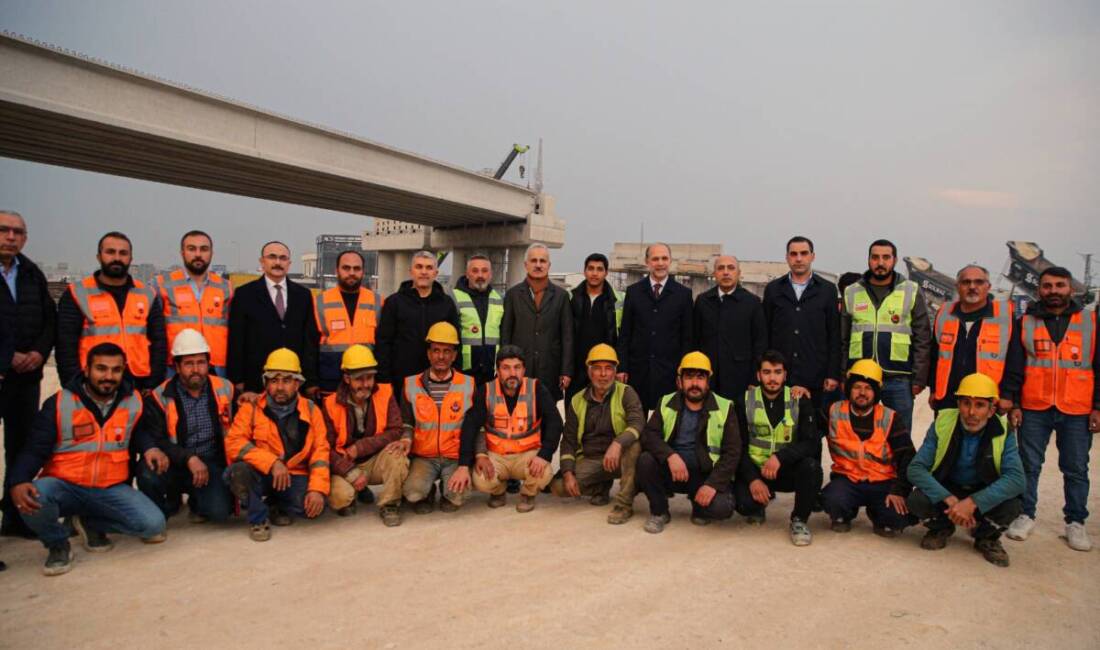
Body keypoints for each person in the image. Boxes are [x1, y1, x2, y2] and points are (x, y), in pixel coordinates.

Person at [8, 343, 169, 576]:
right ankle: (57, 544)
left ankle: (90, 523)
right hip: (64, 485)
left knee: (153, 525)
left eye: (116, 370)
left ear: (123, 370)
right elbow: (34, 448)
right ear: (87, 369)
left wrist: (150, 448)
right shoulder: (60, 403)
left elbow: (139, 432)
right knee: (33, 496)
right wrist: (19, 480)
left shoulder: (133, 401)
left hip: (108, 488)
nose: (108, 376)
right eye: (101, 369)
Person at [1001, 266, 1098, 552]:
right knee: (1028, 465)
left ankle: (1076, 522)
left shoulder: (1090, 322)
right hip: (1034, 406)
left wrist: (1097, 407)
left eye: (1059, 285)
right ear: (1039, 289)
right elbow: (1015, 366)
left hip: (1077, 408)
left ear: (1071, 288)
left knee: (1076, 468)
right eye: (1047, 286)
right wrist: (1015, 403)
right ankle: (1025, 514)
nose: (1053, 291)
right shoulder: (1026, 321)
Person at [907, 373, 1025, 567]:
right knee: (916, 500)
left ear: (991, 409)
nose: (971, 412)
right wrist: (950, 499)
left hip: (983, 492)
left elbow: (1017, 479)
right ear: (958, 404)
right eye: (966, 403)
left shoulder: (1004, 431)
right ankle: (941, 528)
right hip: (949, 490)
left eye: (979, 405)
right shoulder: (943, 423)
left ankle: (986, 537)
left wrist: (972, 503)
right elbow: (916, 469)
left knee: (1012, 505)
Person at [225, 348, 329, 542]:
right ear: (266, 383)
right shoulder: (251, 408)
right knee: (238, 471)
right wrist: (272, 463)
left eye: (287, 380)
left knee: (314, 508)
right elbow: (233, 443)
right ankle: (258, 518)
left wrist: (317, 490)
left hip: (293, 474)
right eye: (274, 380)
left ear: (297, 383)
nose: (280, 387)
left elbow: (320, 454)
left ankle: (277, 505)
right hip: (260, 474)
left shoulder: (312, 410)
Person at [636, 351, 741, 533]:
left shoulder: (725, 407)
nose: (694, 384)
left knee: (723, 508)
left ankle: (699, 506)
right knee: (645, 461)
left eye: (700, 377)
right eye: (689, 377)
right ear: (680, 381)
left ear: (708, 382)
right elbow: (649, 435)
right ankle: (659, 511)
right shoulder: (666, 402)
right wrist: (670, 456)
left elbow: (732, 453)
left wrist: (711, 484)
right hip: (673, 471)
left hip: (704, 474)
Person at [138, 330, 235, 523]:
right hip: (175, 461)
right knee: (148, 472)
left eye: (200, 362)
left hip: (211, 461)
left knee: (220, 512)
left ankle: (197, 502)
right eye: (189, 364)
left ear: (208, 364)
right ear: (177, 366)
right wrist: (188, 458)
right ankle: (160, 513)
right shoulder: (160, 396)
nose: (196, 369)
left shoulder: (225, 388)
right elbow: (157, 438)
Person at [0, 210, 56, 539]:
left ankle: (16, 517)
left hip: (25, 379)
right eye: (4, 230)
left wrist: (38, 352)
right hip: (5, 369)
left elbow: (48, 320)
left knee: (20, 448)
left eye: (17, 232)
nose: (10, 237)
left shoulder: (32, 274)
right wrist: (7, 357)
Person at [840, 239, 931, 433]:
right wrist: (842, 374)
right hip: (860, 379)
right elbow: (843, 339)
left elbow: (923, 339)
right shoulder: (852, 292)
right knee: (858, 433)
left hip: (898, 378)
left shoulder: (911, 290)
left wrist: (919, 379)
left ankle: (900, 466)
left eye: (886, 257)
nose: (880, 263)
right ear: (868, 260)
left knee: (899, 434)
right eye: (875, 257)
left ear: (895, 260)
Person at [56, 231, 167, 391]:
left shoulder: (147, 293)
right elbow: (65, 345)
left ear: (131, 259)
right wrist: (73, 385)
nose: (117, 258)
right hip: (94, 383)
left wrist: (153, 384)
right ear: (99, 256)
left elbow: (159, 342)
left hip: (139, 381)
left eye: (123, 253)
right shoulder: (78, 293)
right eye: (110, 252)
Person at [733, 351, 820, 546]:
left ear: (785, 375)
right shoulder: (744, 401)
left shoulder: (799, 399)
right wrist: (753, 480)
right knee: (742, 504)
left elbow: (811, 443)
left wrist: (780, 457)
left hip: (785, 468)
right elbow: (738, 447)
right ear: (758, 375)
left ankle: (799, 520)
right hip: (757, 468)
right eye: (767, 372)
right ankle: (758, 504)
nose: (772, 378)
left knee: (811, 468)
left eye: (777, 372)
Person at [552, 343, 644, 525]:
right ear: (589, 371)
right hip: (592, 458)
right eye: (598, 369)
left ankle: (624, 505)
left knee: (634, 446)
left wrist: (617, 444)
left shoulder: (626, 393)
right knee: (558, 487)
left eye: (608, 369)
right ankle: (600, 486)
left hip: (619, 457)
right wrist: (568, 473)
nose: (603, 375)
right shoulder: (577, 400)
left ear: (615, 371)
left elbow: (637, 423)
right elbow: (568, 441)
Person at [821, 359, 914, 536]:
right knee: (832, 499)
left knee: (898, 518)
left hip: (882, 482)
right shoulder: (833, 411)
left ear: (876, 391)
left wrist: (898, 491)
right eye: (857, 387)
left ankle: (877, 513)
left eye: (868, 388)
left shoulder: (890, 417)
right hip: (847, 480)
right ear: (848, 388)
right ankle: (845, 513)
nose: (862, 393)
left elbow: (907, 457)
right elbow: (809, 435)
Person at [467, 345, 563, 512]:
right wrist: (480, 455)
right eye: (506, 368)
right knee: (480, 479)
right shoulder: (486, 390)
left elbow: (555, 422)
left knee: (545, 472)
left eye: (517, 367)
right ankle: (498, 491)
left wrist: (544, 455)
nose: (512, 373)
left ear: (524, 369)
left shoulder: (536, 388)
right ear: (497, 370)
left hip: (527, 455)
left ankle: (528, 493)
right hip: (496, 455)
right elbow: (473, 426)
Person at [320, 344, 406, 526]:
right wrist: (349, 471)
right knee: (340, 498)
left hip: (375, 460)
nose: (366, 384)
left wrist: (361, 447)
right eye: (359, 379)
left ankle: (390, 504)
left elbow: (396, 430)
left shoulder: (385, 393)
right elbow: (324, 448)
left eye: (369, 378)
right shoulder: (329, 404)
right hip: (344, 464)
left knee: (397, 456)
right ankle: (353, 493)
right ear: (346, 379)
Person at [395, 323, 477, 514]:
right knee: (413, 493)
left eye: (447, 351)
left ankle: (447, 490)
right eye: (436, 350)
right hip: (424, 457)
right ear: (429, 353)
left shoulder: (468, 385)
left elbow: (475, 427)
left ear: (455, 355)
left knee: (459, 495)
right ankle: (427, 490)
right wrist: (406, 437)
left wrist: (470, 461)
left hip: (454, 457)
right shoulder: (410, 384)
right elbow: (406, 421)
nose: (441, 356)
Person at [227, 241, 319, 398]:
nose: (278, 262)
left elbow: (309, 340)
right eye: (272, 257)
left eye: (283, 258)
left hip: (294, 381)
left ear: (289, 263)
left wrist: (311, 381)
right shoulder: (244, 294)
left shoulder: (303, 295)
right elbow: (236, 340)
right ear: (262, 262)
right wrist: (237, 379)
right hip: (256, 381)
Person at [762, 236, 841, 409]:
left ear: (812, 256)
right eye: (794, 254)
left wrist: (833, 373)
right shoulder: (774, 289)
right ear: (787, 257)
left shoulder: (827, 290)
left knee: (812, 430)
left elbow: (834, 334)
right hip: (779, 376)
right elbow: (765, 332)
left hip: (815, 375)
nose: (798, 259)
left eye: (804, 253)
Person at [617, 243, 693, 413]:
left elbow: (687, 338)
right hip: (638, 370)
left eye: (664, 258)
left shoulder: (683, 295)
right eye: (655, 259)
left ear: (670, 261)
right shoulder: (633, 292)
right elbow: (625, 333)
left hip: (670, 372)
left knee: (668, 423)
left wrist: (683, 372)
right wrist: (622, 367)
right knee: (635, 420)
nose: (660, 263)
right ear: (647, 262)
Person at [928, 264, 1013, 411]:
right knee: (944, 434)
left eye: (979, 282)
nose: (972, 286)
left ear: (988, 286)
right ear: (957, 286)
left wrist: (1008, 395)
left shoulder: (1004, 316)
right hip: (948, 399)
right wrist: (933, 390)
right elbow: (935, 355)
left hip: (986, 402)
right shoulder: (944, 314)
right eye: (966, 282)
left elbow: (1014, 359)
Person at [500, 243, 574, 402]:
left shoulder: (561, 296)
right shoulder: (513, 295)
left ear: (549, 265)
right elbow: (505, 333)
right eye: (534, 261)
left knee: (547, 418)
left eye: (542, 261)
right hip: (519, 369)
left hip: (550, 369)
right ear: (526, 265)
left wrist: (566, 370)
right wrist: (504, 366)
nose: (538, 265)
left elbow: (567, 336)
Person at [375, 250, 460, 387]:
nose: (424, 272)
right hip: (401, 380)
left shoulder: (446, 304)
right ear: (411, 271)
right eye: (419, 267)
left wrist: (455, 376)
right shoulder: (394, 303)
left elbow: (456, 344)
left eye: (429, 267)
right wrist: (384, 380)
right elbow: (383, 344)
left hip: (438, 379)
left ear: (435, 273)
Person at [155, 230, 233, 377]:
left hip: (217, 368)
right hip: (175, 367)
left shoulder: (226, 287)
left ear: (211, 253)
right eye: (192, 249)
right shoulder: (163, 285)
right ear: (182, 252)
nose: (198, 254)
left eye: (204, 249)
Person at [693, 255, 766, 403]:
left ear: (739, 273)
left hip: (740, 378)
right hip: (707, 376)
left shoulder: (752, 303)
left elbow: (760, 343)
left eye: (731, 268)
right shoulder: (703, 301)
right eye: (721, 268)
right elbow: (694, 339)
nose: (726, 272)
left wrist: (755, 379)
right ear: (714, 274)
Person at [313, 250, 383, 393]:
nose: (351, 273)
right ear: (336, 270)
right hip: (331, 381)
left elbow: (384, 345)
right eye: (346, 268)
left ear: (363, 272)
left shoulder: (377, 302)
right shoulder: (319, 302)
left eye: (356, 268)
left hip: (365, 382)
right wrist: (311, 382)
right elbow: (310, 347)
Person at [568, 253, 621, 399]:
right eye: (591, 268)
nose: (595, 273)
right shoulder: (571, 298)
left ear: (606, 273)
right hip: (576, 369)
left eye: (599, 269)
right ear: (585, 271)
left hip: (604, 370)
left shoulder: (617, 301)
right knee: (574, 414)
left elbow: (621, 337)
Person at [450, 253, 503, 386]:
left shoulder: (499, 299)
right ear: (467, 274)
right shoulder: (453, 298)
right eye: (475, 271)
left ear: (490, 275)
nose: (480, 275)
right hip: (464, 371)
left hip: (492, 372)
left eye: (484, 271)